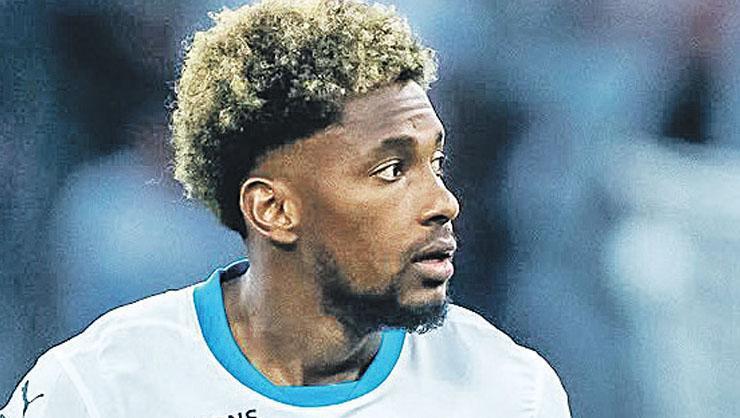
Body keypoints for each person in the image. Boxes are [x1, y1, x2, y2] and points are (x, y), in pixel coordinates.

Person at [1, 0, 571, 416]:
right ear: (273, 210)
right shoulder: (95, 392)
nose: (443, 203)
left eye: (435, 163)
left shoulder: (511, 393)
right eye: (392, 170)